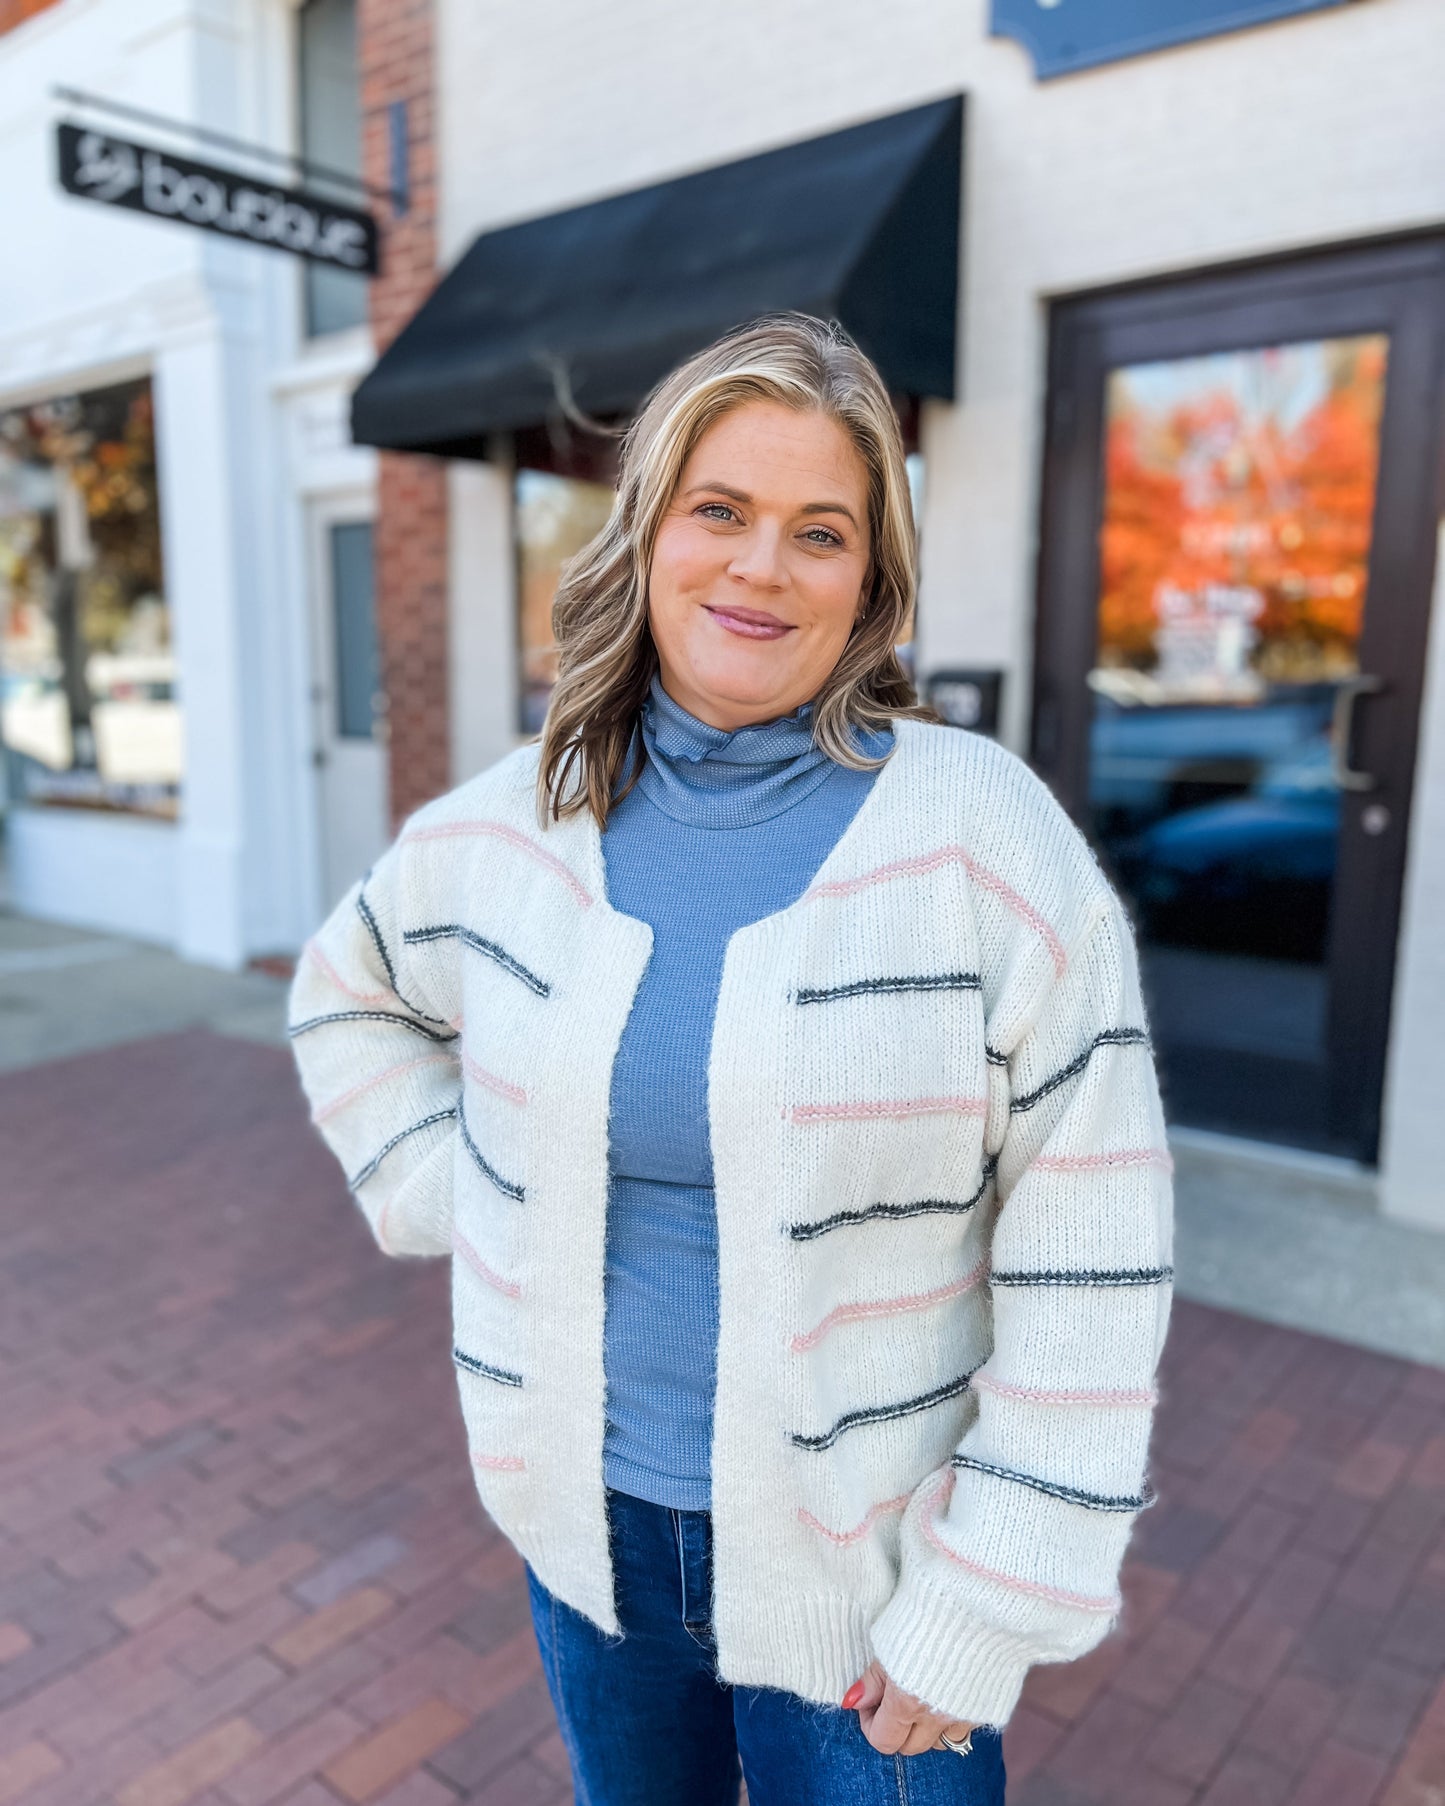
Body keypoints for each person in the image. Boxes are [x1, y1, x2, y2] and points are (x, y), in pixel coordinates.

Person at [287, 312, 1174, 1804]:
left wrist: (989, 1595)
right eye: (719, 510)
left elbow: (1095, 1239)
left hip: (878, 1579)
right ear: (647, 534)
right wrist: (466, 1193)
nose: (761, 566)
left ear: (871, 584)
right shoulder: (514, 826)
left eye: (820, 532)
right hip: (590, 1545)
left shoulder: (981, 837)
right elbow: (348, 991)